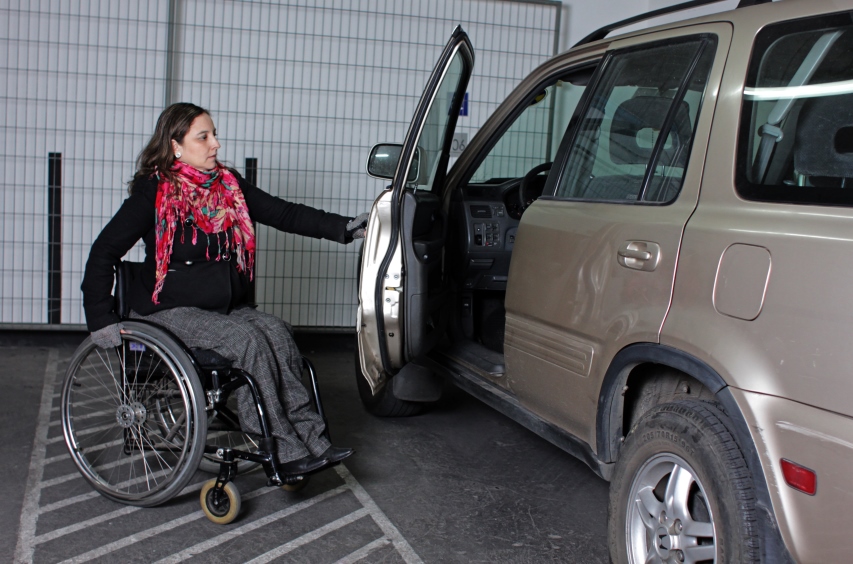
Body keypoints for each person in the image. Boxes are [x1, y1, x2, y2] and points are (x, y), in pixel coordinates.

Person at [81, 102, 367, 476]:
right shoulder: (154, 193)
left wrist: (345, 227)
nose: (215, 144)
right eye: (204, 136)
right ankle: (280, 446)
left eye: (214, 134)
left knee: (278, 333)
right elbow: (103, 252)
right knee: (245, 340)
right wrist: (100, 318)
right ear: (176, 145)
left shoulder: (227, 185)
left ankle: (312, 438)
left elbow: (283, 213)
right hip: (167, 309)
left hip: (218, 306)